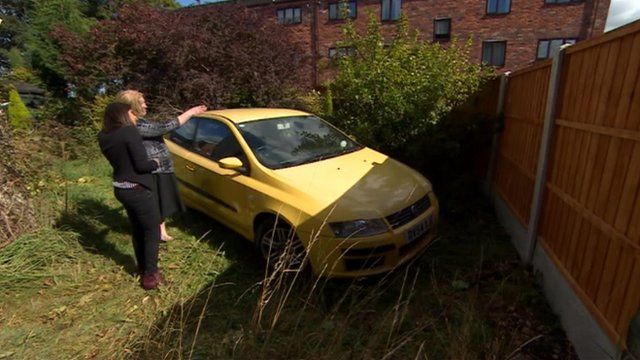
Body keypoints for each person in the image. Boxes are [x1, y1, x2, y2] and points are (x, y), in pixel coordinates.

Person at [115, 90, 207, 242]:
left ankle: (161, 231)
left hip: (162, 168)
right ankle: (152, 232)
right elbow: (164, 127)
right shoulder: (133, 125)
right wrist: (191, 112)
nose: (145, 105)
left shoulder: (141, 121)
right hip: (153, 169)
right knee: (154, 202)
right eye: (142, 102)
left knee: (161, 201)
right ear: (133, 106)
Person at [98, 102, 162, 290]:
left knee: (137, 229)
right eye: (132, 113)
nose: (135, 116)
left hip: (121, 188)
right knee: (152, 230)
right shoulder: (129, 132)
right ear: (123, 115)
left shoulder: (103, 136)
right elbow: (142, 165)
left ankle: (142, 268)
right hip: (137, 188)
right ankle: (150, 275)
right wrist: (155, 162)